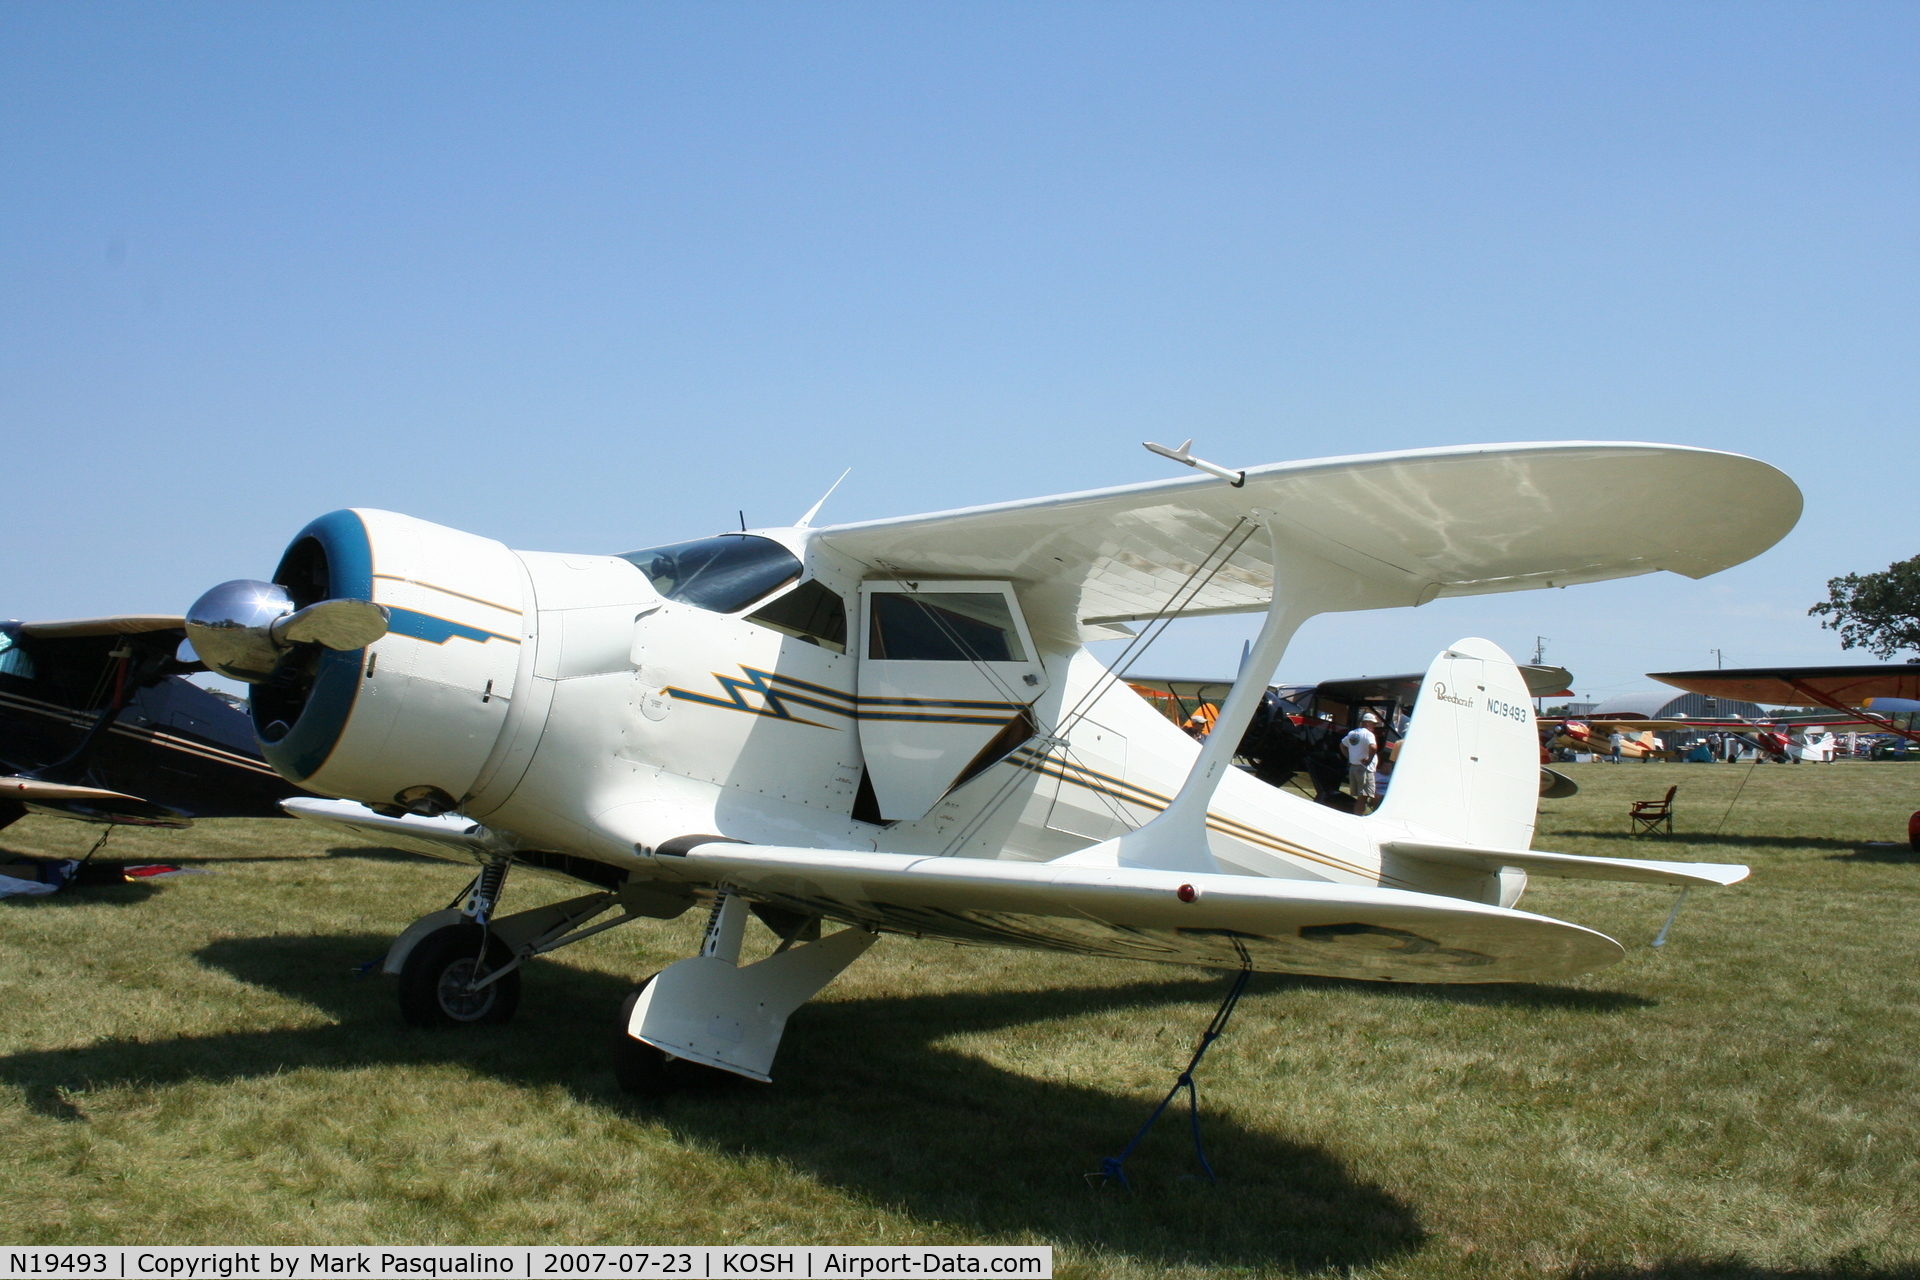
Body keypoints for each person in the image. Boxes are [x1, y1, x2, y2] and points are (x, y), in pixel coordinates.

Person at [1340, 713, 1380, 815]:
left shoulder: (1352, 733)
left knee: (1360, 797)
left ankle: (1357, 816)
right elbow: (1373, 747)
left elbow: (1342, 745)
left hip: (1354, 767)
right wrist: (1369, 759)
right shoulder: (1368, 734)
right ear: (1367, 723)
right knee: (1363, 798)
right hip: (1365, 768)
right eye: (1373, 724)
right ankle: (1359, 818)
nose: (1374, 726)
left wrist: (1350, 758)